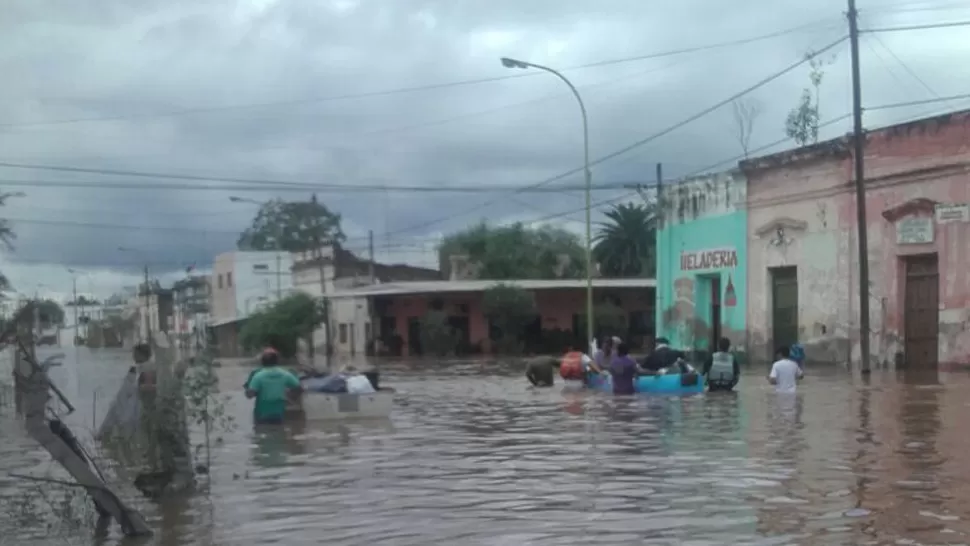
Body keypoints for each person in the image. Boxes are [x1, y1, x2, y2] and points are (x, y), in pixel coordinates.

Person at [245, 347, 303, 425]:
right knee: (279, 434)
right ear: (277, 360)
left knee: (260, 433)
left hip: (262, 414)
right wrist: (291, 397)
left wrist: (248, 388)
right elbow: (299, 388)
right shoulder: (285, 374)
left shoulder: (258, 376)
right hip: (278, 413)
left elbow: (250, 395)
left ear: (262, 361)